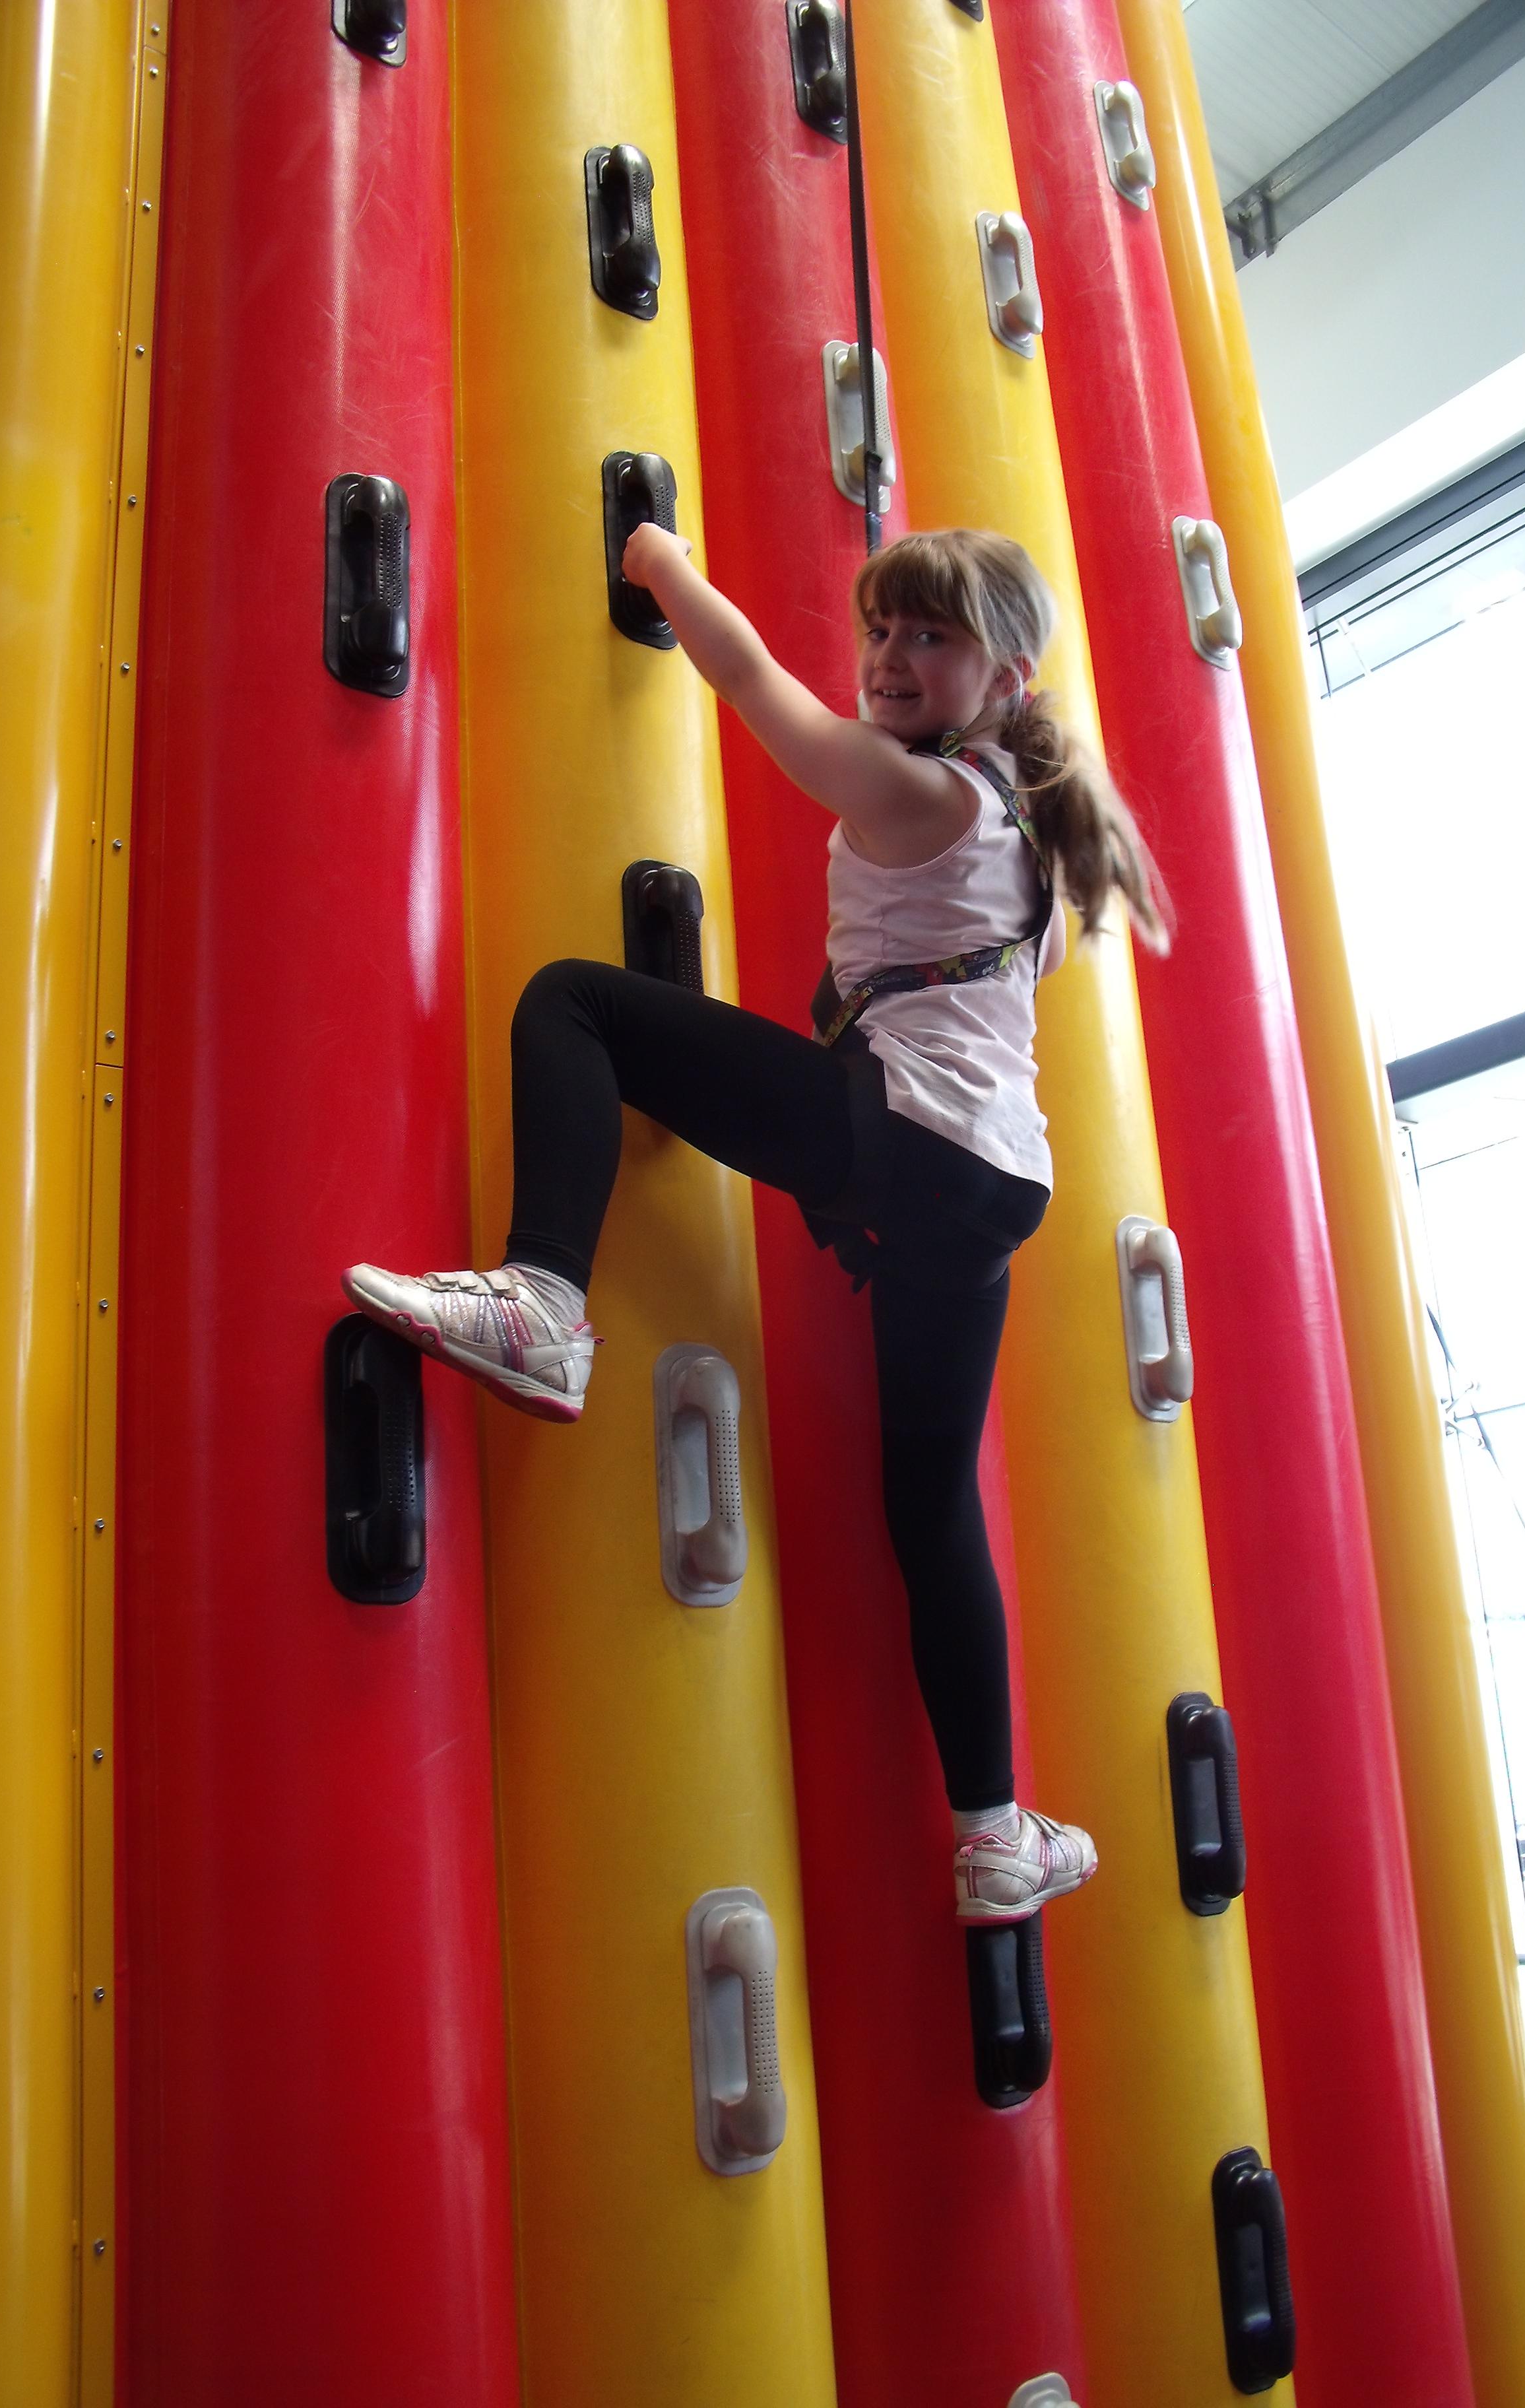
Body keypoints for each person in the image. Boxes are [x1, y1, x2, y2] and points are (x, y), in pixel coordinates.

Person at [343, 525, 1166, 1924]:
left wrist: (661, 565)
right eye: (883, 629)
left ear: (1005, 676)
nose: (890, 658)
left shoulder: (927, 792)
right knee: (930, 1500)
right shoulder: (1024, 826)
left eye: (930, 637)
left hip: (909, 1134)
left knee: (573, 1001)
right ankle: (993, 1831)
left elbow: (750, 683)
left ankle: (544, 1303)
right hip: (989, 1189)